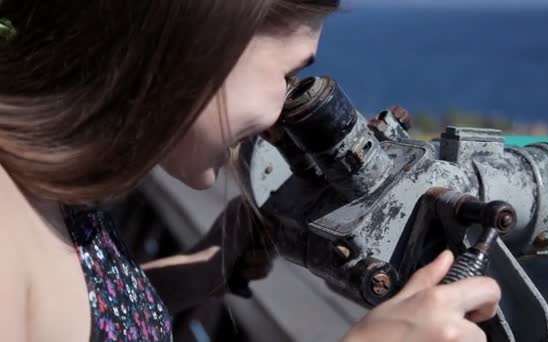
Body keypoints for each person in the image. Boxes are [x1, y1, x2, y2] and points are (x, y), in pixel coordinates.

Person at [0, 1, 501, 341]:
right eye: (287, 74)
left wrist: (200, 272)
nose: (282, 109)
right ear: (201, 42)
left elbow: (88, 318)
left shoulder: (47, 199)